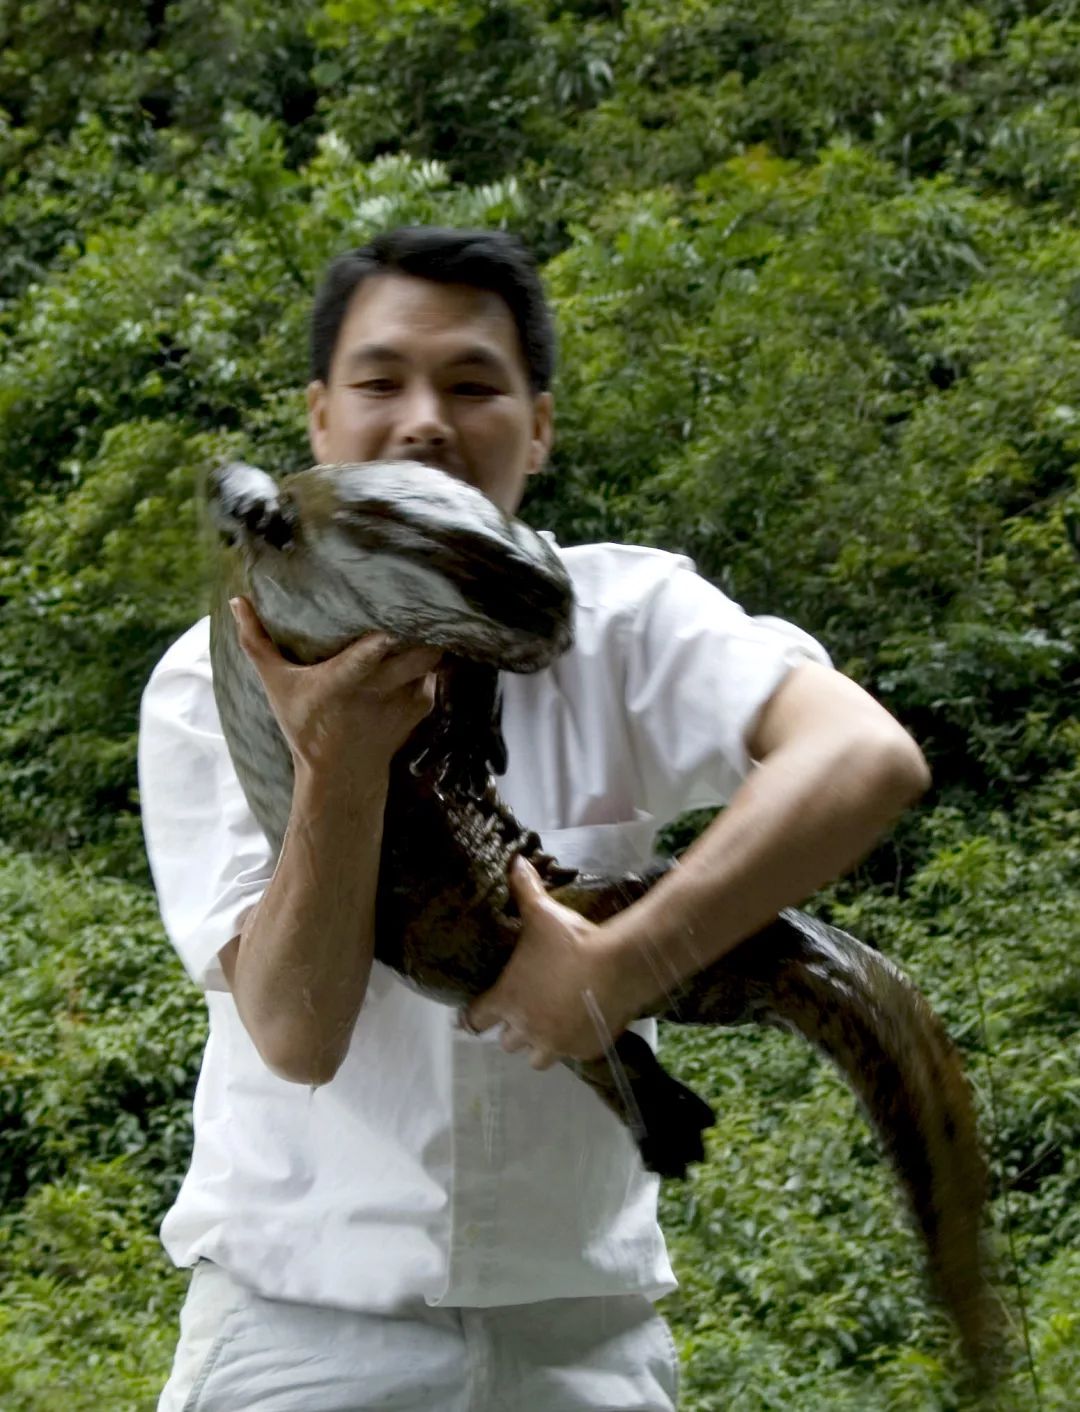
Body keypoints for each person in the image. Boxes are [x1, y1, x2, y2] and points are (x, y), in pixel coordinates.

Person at [139, 226, 930, 1411]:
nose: (424, 419)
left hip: (585, 1343)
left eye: (472, 384)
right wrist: (340, 761)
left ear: (540, 425)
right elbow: (297, 1035)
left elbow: (864, 754)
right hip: (299, 1334)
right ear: (319, 419)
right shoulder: (218, 676)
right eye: (380, 381)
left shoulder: (630, 614)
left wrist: (623, 965)